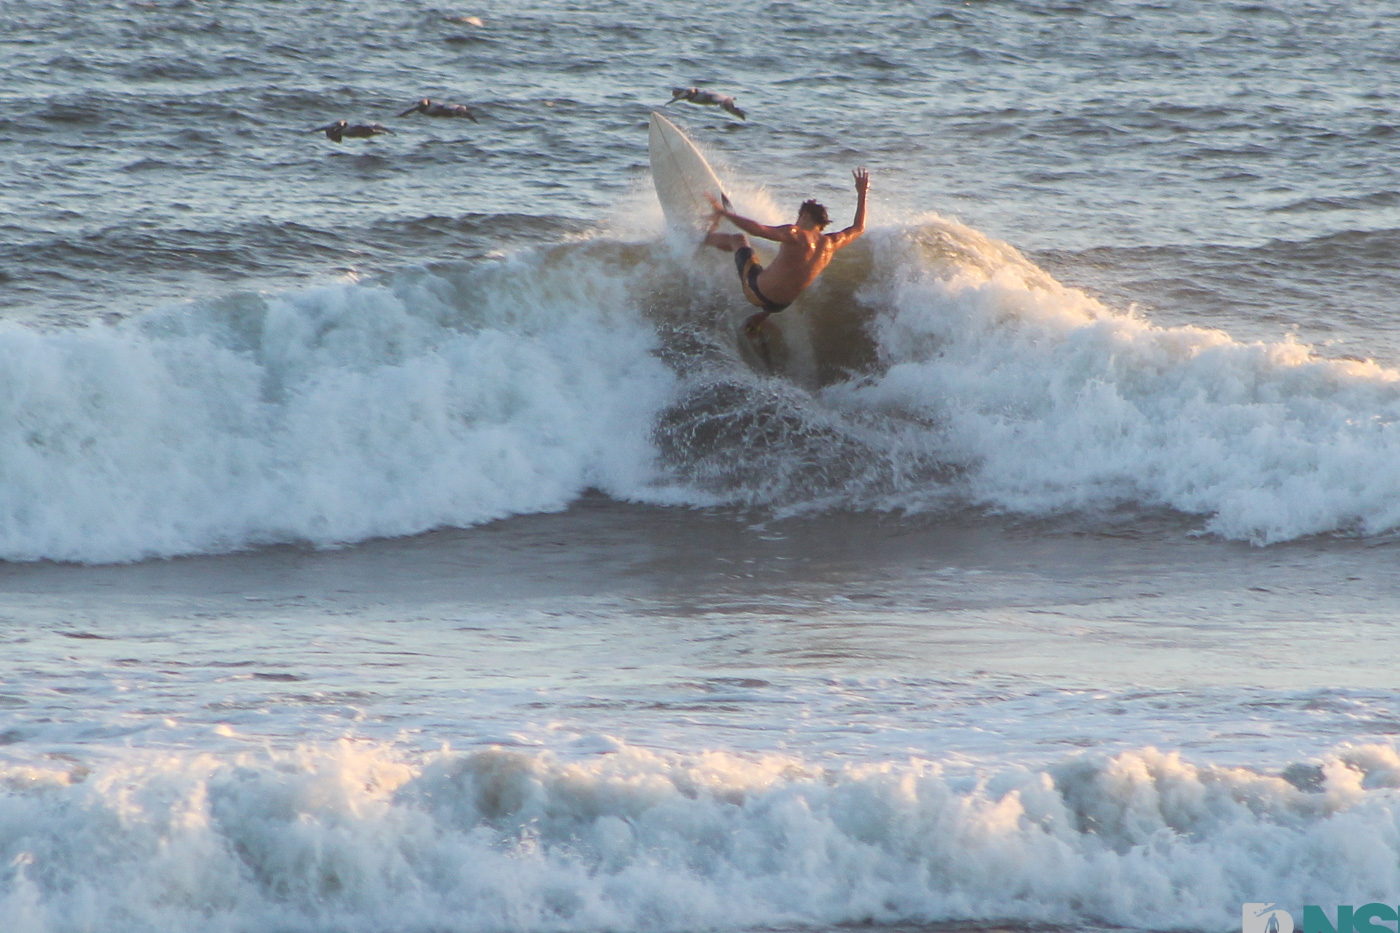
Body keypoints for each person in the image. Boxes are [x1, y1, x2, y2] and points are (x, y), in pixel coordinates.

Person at [704, 167, 869, 335]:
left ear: (804, 216)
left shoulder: (795, 234)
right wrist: (862, 193)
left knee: (738, 239)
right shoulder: (831, 243)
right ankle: (756, 322)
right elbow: (859, 228)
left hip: (756, 291)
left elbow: (758, 230)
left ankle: (704, 239)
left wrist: (724, 213)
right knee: (775, 276)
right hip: (779, 306)